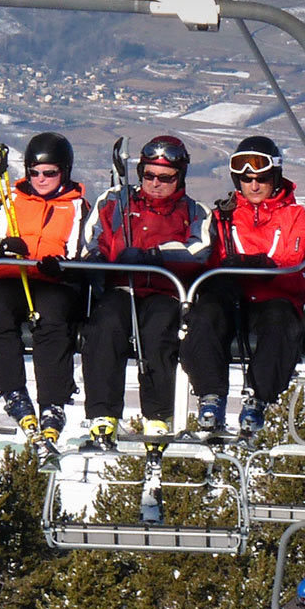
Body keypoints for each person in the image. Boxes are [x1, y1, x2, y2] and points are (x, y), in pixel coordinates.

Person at [79, 135, 211, 447]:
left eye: (165, 178)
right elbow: (92, 240)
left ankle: (157, 415)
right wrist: (100, 264)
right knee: (104, 326)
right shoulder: (114, 202)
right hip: (121, 287)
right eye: (149, 175)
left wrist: (155, 256)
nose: (155, 184)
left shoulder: (194, 211)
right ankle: (103, 413)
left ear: (179, 178)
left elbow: (199, 251)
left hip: (164, 291)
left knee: (158, 334)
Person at [182, 135, 305, 434]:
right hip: (233, 301)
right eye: (246, 179)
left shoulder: (295, 216)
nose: (253, 186)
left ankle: (257, 399)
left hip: (275, 298)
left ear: (275, 177)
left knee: (281, 323)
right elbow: (205, 256)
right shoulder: (223, 215)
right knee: (204, 316)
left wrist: (257, 264)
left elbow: (293, 253)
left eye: (262, 179)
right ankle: (210, 396)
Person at [0, 132, 91, 458]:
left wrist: (64, 267)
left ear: (64, 172)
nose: (41, 180)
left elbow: (86, 251)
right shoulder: (11, 200)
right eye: (35, 172)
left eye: (49, 173)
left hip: (55, 282)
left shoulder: (77, 207)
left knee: (52, 320)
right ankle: (11, 391)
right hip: (14, 276)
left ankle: (52, 401)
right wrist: (2, 247)